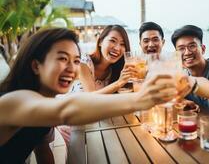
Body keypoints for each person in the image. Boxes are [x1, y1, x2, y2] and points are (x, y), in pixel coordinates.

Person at [0, 28, 190, 163]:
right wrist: (144, 99)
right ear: (36, 65)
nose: (72, 69)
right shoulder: (12, 100)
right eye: (62, 59)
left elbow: (42, 150)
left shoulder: (43, 104)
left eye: (75, 61)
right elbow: (66, 110)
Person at [71, 24, 136, 93]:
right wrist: (119, 83)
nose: (117, 48)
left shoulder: (115, 71)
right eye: (113, 41)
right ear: (100, 42)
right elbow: (90, 97)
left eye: (122, 44)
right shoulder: (83, 62)